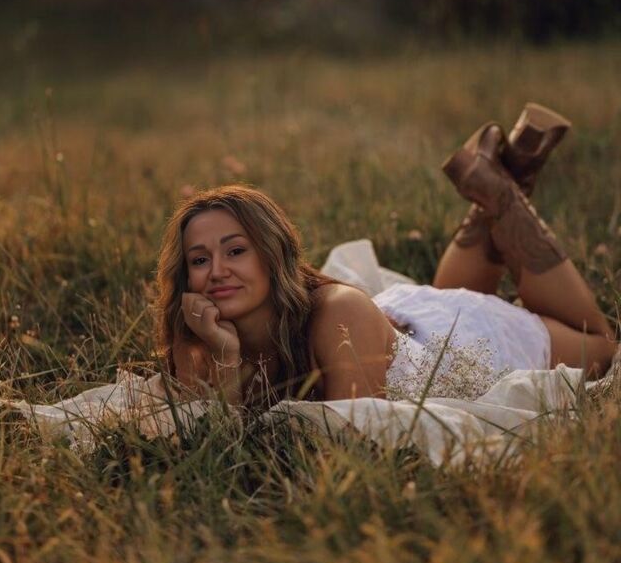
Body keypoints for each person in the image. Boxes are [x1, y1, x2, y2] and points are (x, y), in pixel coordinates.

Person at [155, 104, 616, 408]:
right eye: (199, 260)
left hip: (468, 346)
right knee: (451, 295)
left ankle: (501, 197)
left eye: (236, 251)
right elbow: (214, 444)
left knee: (599, 345)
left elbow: (354, 438)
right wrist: (225, 357)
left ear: (273, 254)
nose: (217, 271)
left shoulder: (337, 315)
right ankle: (500, 180)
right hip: (417, 327)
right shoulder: (198, 335)